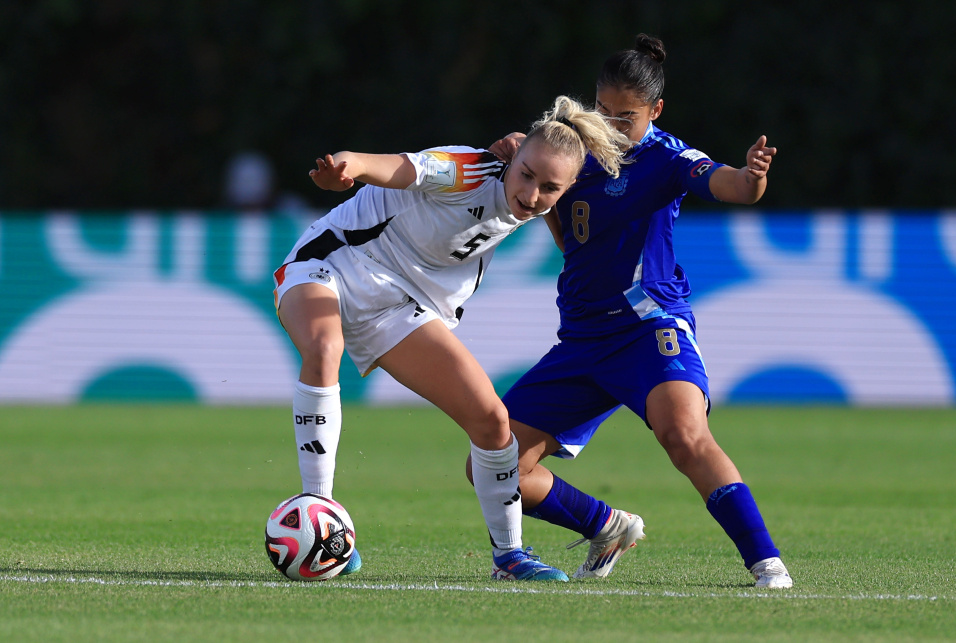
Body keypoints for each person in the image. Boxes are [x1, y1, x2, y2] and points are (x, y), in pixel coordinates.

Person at [471, 34, 793, 588]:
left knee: (684, 436)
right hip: (582, 337)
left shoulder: (666, 157)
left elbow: (731, 186)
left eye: (628, 117)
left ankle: (767, 563)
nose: (613, 125)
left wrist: (753, 176)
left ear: (656, 112)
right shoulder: (572, 150)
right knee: (494, 466)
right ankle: (607, 525)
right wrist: (516, 155)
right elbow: (545, 211)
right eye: (603, 111)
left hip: (648, 329)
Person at [272, 95, 630, 581]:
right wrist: (349, 166)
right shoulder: (465, 169)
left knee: (491, 419)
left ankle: (509, 558)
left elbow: (560, 215)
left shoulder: (542, 195)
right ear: (513, 158)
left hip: (401, 305)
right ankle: (322, 509)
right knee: (324, 347)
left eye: (549, 188)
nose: (531, 193)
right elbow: (400, 168)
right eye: (525, 175)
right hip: (329, 265)